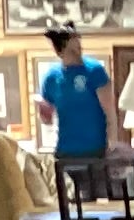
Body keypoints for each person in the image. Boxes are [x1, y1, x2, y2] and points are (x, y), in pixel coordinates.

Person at [37, 28, 116, 158]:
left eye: (79, 48)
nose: (78, 53)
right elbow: (47, 120)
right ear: (60, 52)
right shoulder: (51, 77)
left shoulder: (95, 71)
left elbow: (110, 111)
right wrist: (44, 114)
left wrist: (112, 143)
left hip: (95, 150)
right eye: (72, 51)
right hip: (65, 150)